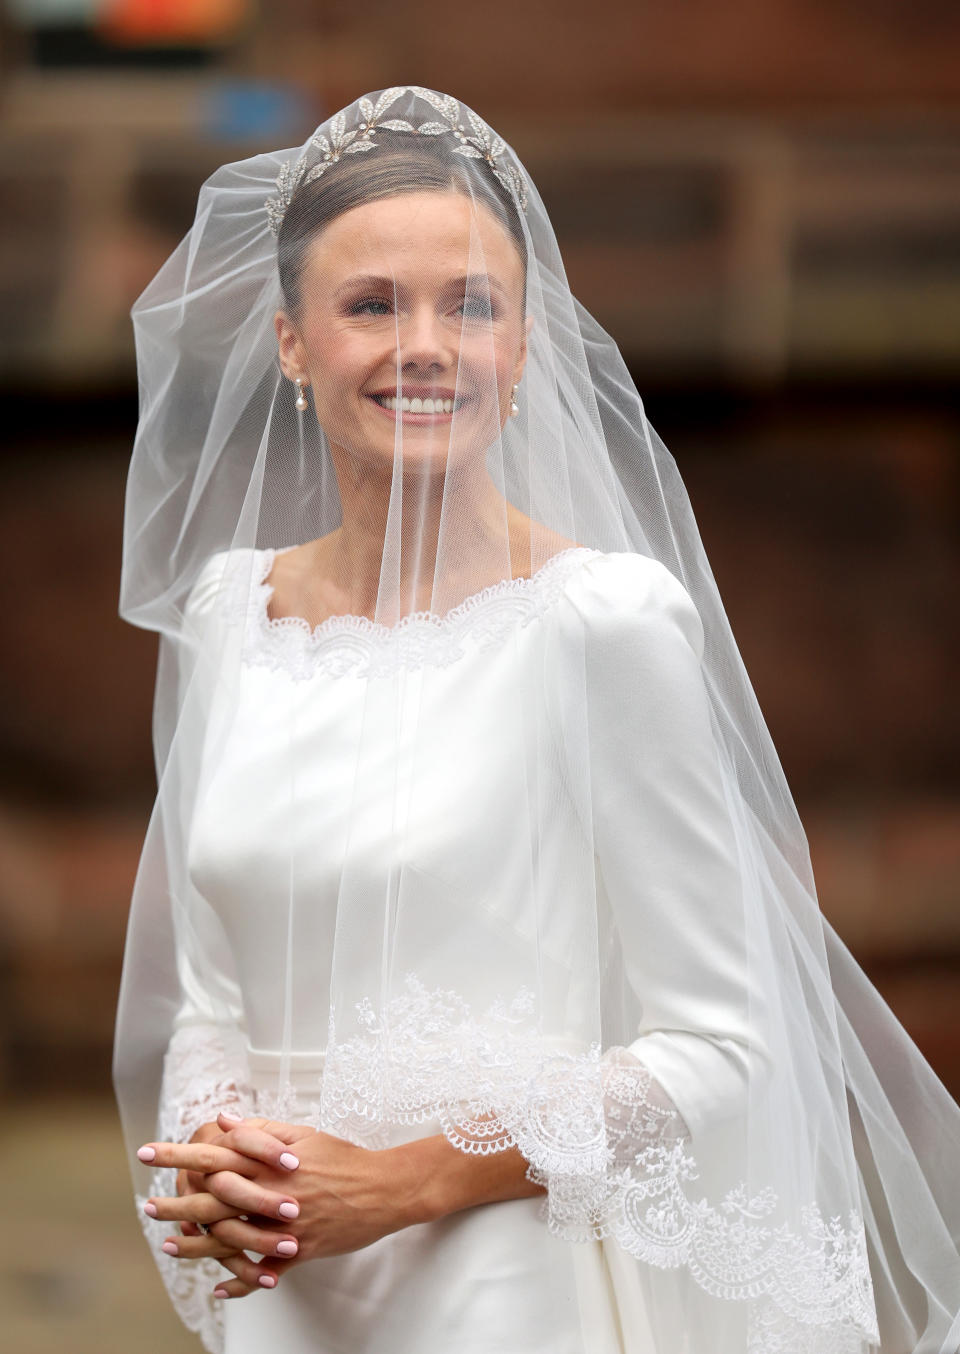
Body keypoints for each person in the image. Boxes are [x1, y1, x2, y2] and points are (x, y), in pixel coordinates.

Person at [115, 87, 960, 1354]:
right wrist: (236, 1167)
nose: (427, 345)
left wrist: (406, 1182)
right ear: (291, 343)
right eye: (370, 305)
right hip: (289, 1283)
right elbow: (212, 997)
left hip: (504, 1286)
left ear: (524, 348)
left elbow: (726, 1046)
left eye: (471, 304)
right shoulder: (234, 617)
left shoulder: (600, 625)